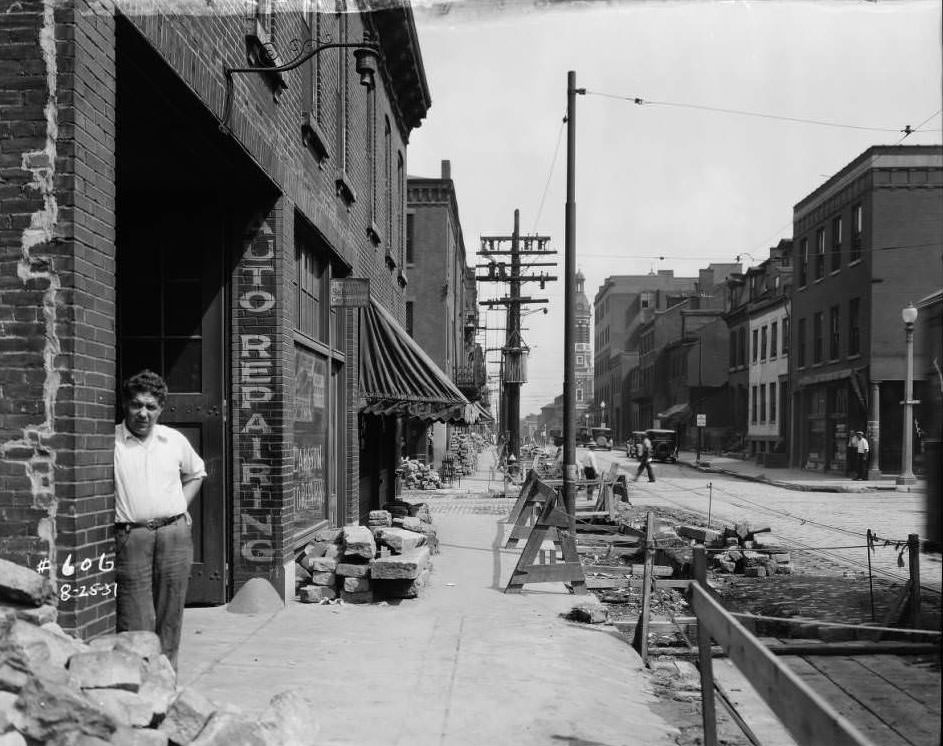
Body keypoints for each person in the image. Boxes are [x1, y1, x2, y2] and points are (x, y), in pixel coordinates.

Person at [114, 370, 206, 669]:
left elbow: (196, 473)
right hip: (132, 536)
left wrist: (181, 504)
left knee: (171, 612)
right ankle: (139, 681)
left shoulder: (173, 440)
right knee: (135, 614)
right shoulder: (110, 442)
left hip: (174, 535)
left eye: (151, 407)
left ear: (161, 409)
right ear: (125, 405)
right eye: (137, 405)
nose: (143, 413)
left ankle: (167, 680)